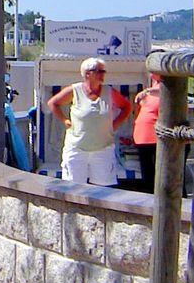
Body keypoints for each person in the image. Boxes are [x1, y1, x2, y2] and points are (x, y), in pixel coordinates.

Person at [46, 57, 132, 186]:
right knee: (72, 187)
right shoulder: (75, 90)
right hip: (77, 148)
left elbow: (126, 107)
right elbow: (53, 103)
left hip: (103, 148)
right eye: (99, 71)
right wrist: (64, 120)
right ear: (87, 73)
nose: (103, 74)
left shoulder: (109, 92)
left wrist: (115, 124)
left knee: (103, 189)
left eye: (104, 71)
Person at [132, 69, 163, 192]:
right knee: (148, 178)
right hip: (143, 139)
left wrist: (148, 91)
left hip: (160, 140)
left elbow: (172, 94)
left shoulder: (168, 85)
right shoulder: (152, 86)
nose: (151, 72)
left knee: (164, 177)